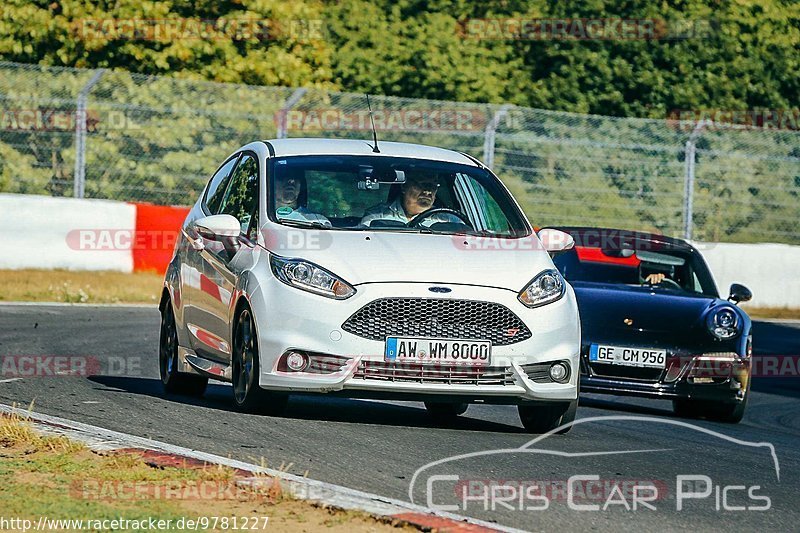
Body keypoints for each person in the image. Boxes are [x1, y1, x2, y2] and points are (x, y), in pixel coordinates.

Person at [360, 172, 462, 227]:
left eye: (432, 186)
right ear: (404, 186)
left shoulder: (449, 221)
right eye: (422, 184)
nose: (427, 191)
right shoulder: (377, 216)